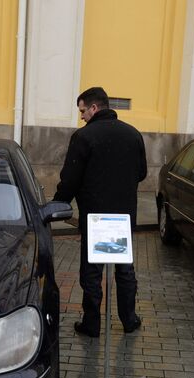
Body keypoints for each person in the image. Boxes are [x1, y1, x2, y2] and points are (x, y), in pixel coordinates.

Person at [53, 87, 147, 337]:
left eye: (83, 111)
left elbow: (70, 179)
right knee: (124, 269)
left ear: (94, 108)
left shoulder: (83, 137)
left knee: (92, 271)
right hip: (123, 218)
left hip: (95, 217)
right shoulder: (133, 135)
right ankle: (129, 320)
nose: (81, 116)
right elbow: (142, 174)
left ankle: (92, 323)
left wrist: (58, 205)